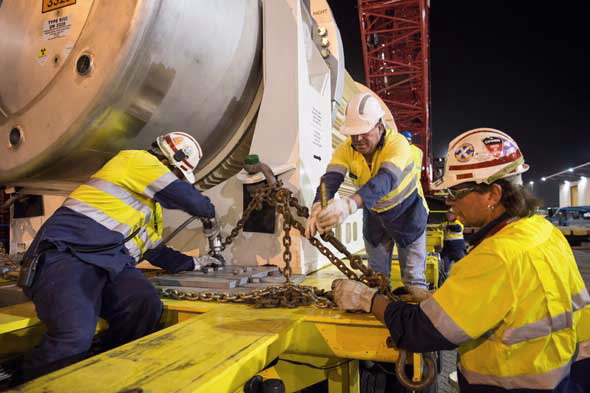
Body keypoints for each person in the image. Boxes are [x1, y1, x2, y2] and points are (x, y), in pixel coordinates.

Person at [331, 128, 590, 392]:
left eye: (456, 194)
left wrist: (366, 299)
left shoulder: (496, 256)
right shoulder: (544, 232)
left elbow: (421, 331)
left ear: (493, 194)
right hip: (565, 379)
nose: (450, 206)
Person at [19, 131, 221, 381]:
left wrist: (197, 263)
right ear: (168, 163)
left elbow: (156, 251)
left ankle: (110, 370)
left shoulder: (148, 209)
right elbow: (191, 200)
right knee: (74, 336)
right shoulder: (134, 160)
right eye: (177, 174)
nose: (176, 179)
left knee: (143, 302)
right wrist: (210, 215)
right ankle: (29, 384)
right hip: (67, 254)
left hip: (108, 263)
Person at [305, 92, 429, 301]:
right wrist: (318, 205)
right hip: (375, 218)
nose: (358, 139)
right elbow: (331, 178)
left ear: (380, 126)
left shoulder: (397, 144)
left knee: (414, 282)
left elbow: (385, 180)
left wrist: (349, 205)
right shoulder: (346, 148)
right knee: (376, 280)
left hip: (407, 214)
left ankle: (418, 323)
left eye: (364, 132)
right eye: (353, 134)